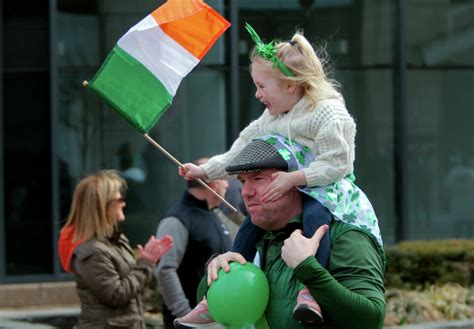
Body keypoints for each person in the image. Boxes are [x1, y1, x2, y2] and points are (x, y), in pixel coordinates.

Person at [179, 23, 370, 324]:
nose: (256, 94)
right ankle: (214, 295)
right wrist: (205, 170)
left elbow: (339, 164)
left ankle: (309, 292)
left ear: (290, 85)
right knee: (250, 226)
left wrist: (293, 179)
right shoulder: (273, 115)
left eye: (262, 86)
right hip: (289, 188)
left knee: (315, 219)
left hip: (326, 188)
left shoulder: (326, 111)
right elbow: (240, 149)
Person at [183, 138, 386, 329]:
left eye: (258, 179)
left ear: (297, 181)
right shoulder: (258, 237)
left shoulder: (344, 235)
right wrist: (214, 277)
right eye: (243, 181)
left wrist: (308, 269)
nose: (246, 192)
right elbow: (226, 315)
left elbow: (371, 320)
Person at [58, 169, 173, 329]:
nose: (124, 203)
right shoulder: (91, 251)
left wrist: (145, 261)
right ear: (103, 206)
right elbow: (115, 295)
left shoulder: (113, 239)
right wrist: (145, 263)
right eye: (119, 199)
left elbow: (129, 282)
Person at [155, 158, 234, 329]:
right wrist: (187, 316)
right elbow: (165, 270)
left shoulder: (214, 215)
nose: (227, 185)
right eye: (224, 179)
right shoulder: (176, 220)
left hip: (219, 319)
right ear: (213, 184)